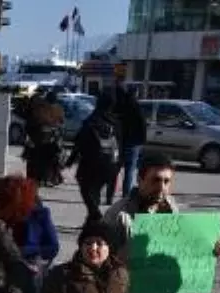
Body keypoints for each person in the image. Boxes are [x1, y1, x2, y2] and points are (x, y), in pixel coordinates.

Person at [105, 152, 220, 293]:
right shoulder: (118, 215)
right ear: (139, 180)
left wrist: (210, 248)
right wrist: (123, 258)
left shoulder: (171, 208)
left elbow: (186, 246)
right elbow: (95, 261)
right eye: (155, 180)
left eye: (167, 181)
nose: (161, 187)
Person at [0, 175, 60, 293]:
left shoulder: (39, 214)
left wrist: (23, 251)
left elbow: (52, 248)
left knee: (30, 273)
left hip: (30, 267)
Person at [66, 93, 119, 222]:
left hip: (91, 164)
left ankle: (95, 215)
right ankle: (92, 220)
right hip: (110, 164)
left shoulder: (92, 120)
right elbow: (120, 145)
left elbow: (79, 142)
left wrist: (70, 160)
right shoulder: (116, 122)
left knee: (87, 189)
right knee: (95, 191)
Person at [25, 92, 65, 186]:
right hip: (51, 140)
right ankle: (51, 178)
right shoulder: (58, 109)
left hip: (40, 139)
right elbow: (62, 123)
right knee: (52, 160)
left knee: (38, 160)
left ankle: (42, 179)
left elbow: (32, 124)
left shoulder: (40, 108)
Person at [115, 85, 147, 197]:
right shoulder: (136, 106)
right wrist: (143, 141)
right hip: (134, 142)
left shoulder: (121, 106)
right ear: (135, 93)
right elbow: (143, 125)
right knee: (129, 170)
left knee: (117, 169)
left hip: (121, 142)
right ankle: (126, 195)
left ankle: (110, 194)